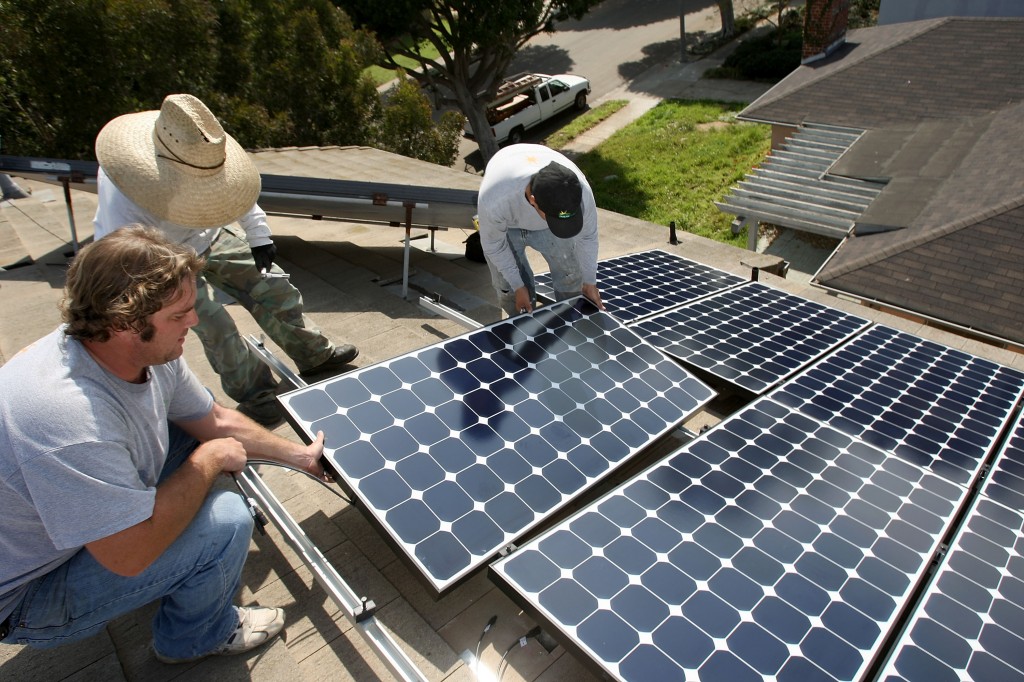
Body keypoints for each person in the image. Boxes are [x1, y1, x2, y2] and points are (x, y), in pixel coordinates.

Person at [0, 226, 328, 663]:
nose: (193, 322)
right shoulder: (71, 419)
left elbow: (213, 418)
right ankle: (195, 637)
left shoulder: (136, 353)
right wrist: (209, 461)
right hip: (29, 593)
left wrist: (300, 456)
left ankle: (172, 568)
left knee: (186, 434)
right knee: (228, 522)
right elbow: (128, 555)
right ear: (123, 323)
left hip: (68, 526)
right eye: (179, 315)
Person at [93, 93, 358, 428]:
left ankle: (314, 355)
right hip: (157, 256)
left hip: (209, 234)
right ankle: (258, 394)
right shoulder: (125, 189)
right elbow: (131, 258)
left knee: (275, 288)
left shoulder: (199, 149)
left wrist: (259, 237)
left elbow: (233, 187)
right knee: (215, 325)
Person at [476, 143, 604, 317]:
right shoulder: (495, 199)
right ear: (533, 201)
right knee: (509, 290)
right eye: (555, 218)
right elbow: (494, 246)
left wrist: (590, 282)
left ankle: (571, 319)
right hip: (508, 226)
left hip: (541, 220)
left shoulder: (580, 191)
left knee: (571, 277)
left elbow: (588, 237)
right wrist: (518, 286)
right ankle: (522, 325)